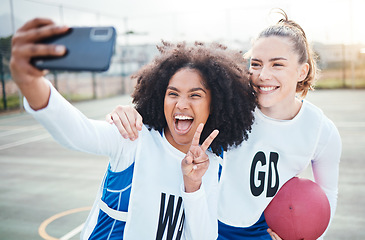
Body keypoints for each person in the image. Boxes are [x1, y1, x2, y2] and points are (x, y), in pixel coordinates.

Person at [10, 18, 257, 240]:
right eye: (173, 93)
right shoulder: (133, 137)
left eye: (195, 95)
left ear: (215, 104)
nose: (181, 104)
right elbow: (77, 131)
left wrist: (193, 185)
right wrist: (29, 81)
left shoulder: (213, 163)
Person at [106, 10, 342, 240]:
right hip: (204, 224)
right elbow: (176, 111)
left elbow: (327, 193)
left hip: (263, 232)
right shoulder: (230, 106)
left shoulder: (321, 130)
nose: (263, 75)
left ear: (303, 71)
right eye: (256, 64)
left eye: (277, 65)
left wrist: (307, 234)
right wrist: (132, 113)